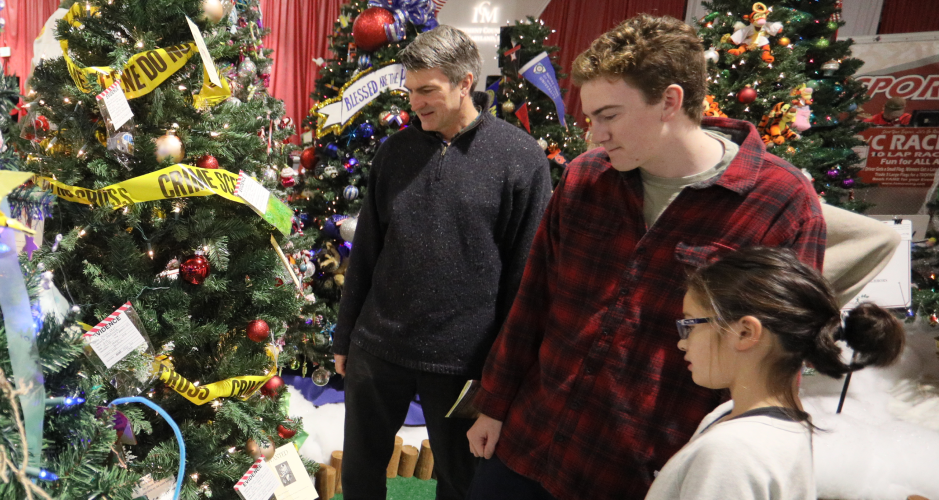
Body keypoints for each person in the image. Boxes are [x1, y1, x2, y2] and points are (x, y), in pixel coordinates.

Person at [464, 15, 827, 500]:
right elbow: (534, 300)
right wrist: (494, 403)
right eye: (591, 117)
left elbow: (778, 361)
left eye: (609, 116)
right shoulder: (584, 178)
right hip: (532, 441)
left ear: (670, 102)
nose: (595, 135)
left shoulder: (781, 202)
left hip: (642, 467)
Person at [332, 25, 552, 500]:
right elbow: (366, 251)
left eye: (428, 90)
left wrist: (503, 375)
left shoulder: (520, 159)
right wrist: (345, 335)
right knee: (360, 474)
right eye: (410, 91)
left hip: (464, 361)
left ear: (464, 82)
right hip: (378, 346)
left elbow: (525, 280)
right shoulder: (394, 152)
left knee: (460, 482)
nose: (416, 103)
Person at [647, 246, 905, 500]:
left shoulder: (732, 452)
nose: (682, 342)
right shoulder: (737, 419)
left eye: (690, 324)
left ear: (745, 332)